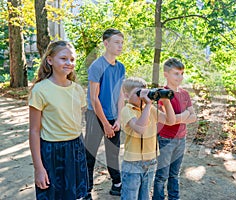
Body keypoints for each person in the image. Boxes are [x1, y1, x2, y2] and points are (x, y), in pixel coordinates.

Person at [28, 41, 88, 199]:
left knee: (76, 196)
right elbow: (34, 130)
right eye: (63, 58)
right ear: (50, 60)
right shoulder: (40, 90)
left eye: (72, 59)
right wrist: (38, 168)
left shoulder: (78, 89)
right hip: (51, 152)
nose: (69, 63)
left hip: (76, 149)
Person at [84, 28, 125, 199]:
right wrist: (105, 124)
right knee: (90, 154)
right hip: (95, 116)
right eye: (116, 42)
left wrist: (119, 119)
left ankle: (117, 184)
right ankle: (86, 189)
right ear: (106, 43)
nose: (120, 46)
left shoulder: (121, 67)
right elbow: (94, 98)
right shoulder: (97, 66)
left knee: (113, 153)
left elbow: (121, 94)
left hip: (114, 117)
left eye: (122, 43)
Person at [120, 77, 176, 200]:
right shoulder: (127, 111)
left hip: (151, 161)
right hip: (132, 164)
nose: (142, 97)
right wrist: (148, 104)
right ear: (126, 95)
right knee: (130, 197)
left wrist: (166, 101)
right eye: (138, 93)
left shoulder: (149, 109)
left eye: (145, 93)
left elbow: (170, 121)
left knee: (144, 197)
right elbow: (140, 129)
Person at [153, 58, 197, 200]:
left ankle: (174, 198)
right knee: (161, 175)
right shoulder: (162, 94)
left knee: (174, 174)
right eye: (176, 74)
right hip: (166, 139)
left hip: (181, 139)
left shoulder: (184, 94)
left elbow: (194, 117)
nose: (180, 77)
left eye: (182, 73)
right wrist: (185, 115)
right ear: (166, 74)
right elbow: (167, 120)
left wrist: (180, 117)